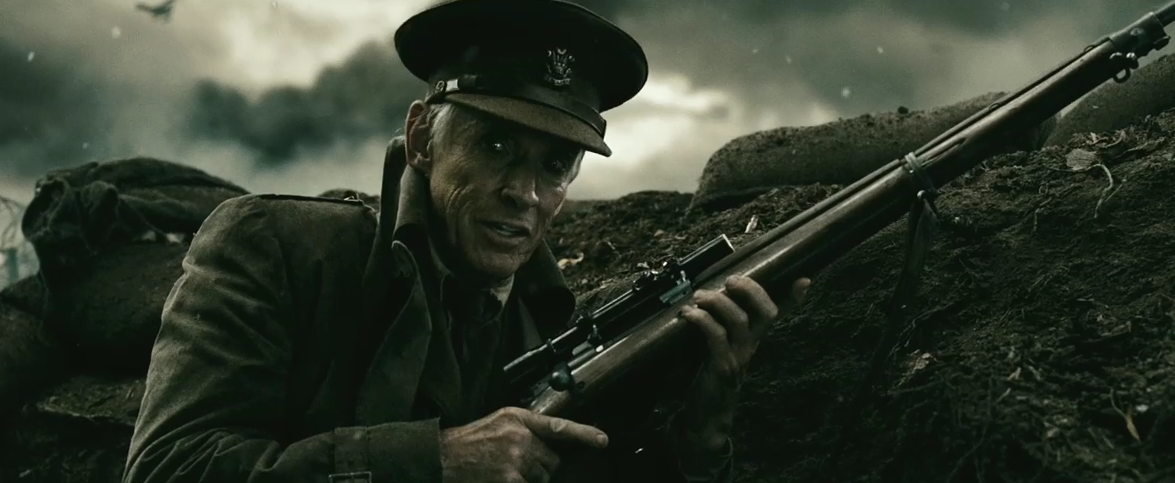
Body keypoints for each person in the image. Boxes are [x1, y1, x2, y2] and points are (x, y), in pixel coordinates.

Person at [122, 0, 810, 482]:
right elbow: (166, 468)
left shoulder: (554, 324)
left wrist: (701, 436)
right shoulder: (278, 247)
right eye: (496, 145)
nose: (525, 192)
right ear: (422, 137)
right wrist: (434, 461)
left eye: (554, 165)